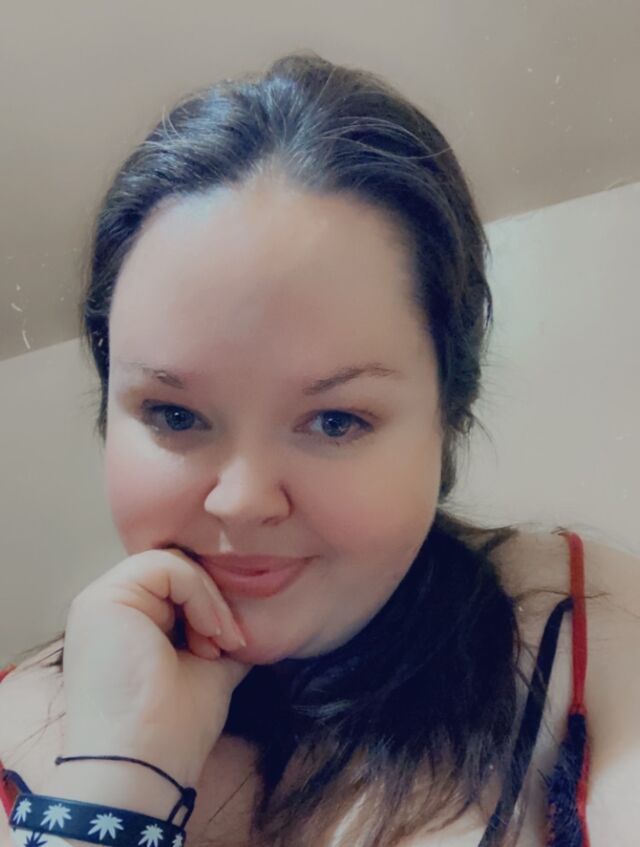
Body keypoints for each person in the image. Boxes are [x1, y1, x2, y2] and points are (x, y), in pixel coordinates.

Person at [0, 50, 638, 847]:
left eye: (335, 420)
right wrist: (115, 779)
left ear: (448, 415)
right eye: (174, 412)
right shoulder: (18, 717)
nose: (240, 501)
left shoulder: (585, 629)